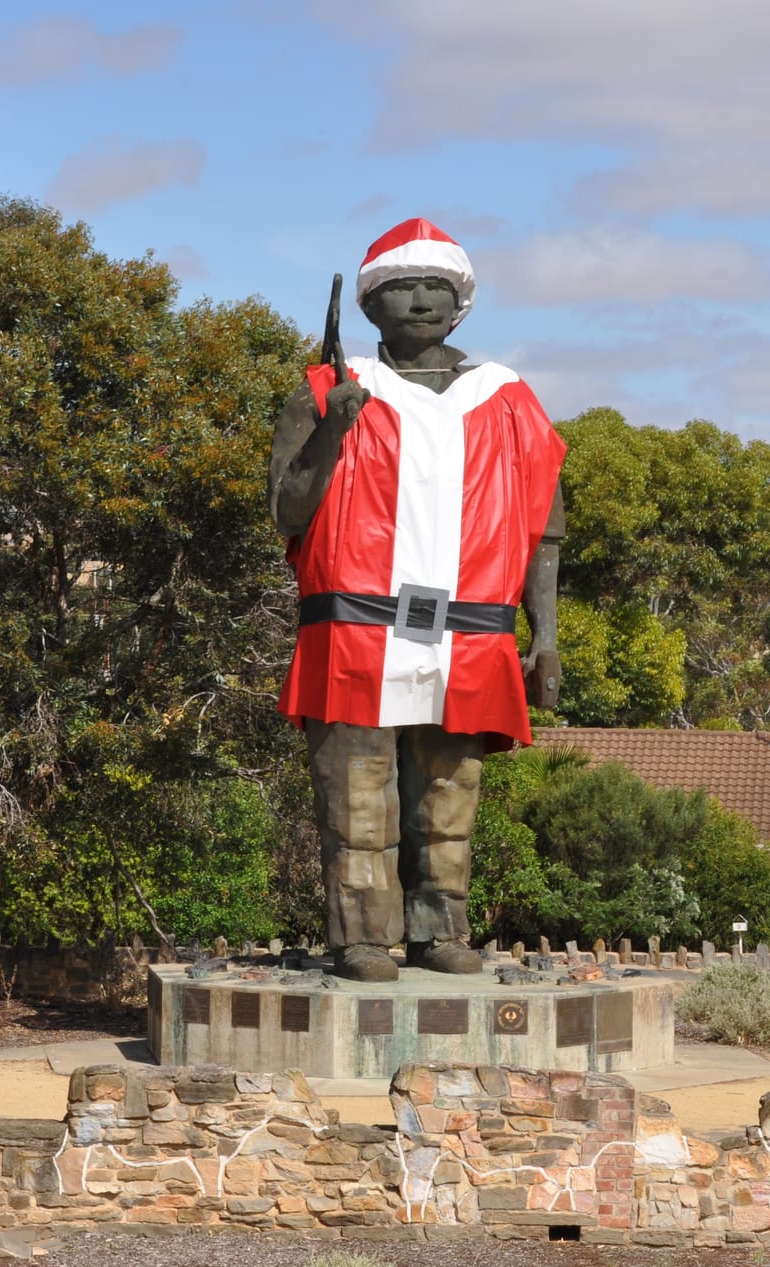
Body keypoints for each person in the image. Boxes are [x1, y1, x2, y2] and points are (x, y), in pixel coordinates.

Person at [270, 218, 565, 982]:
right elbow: (286, 511)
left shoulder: (507, 400)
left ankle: (441, 928)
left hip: (468, 633)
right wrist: (332, 434)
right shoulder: (328, 390)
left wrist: (547, 636)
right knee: (358, 800)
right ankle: (362, 938)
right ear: (371, 305)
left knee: (449, 798)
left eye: (439, 286)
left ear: (462, 301)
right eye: (404, 286)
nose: (424, 300)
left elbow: (542, 528)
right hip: (357, 626)